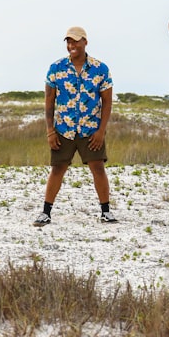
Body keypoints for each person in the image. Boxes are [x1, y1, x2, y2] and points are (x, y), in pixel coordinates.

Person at [34, 26, 115, 226]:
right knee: (57, 168)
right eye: (68, 42)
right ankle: (46, 212)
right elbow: (48, 101)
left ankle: (106, 212)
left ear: (85, 42)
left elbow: (107, 102)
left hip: (90, 129)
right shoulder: (56, 68)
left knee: (98, 167)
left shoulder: (100, 69)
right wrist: (50, 131)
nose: (72, 45)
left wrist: (101, 131)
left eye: (76, 41)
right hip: (64, 128)